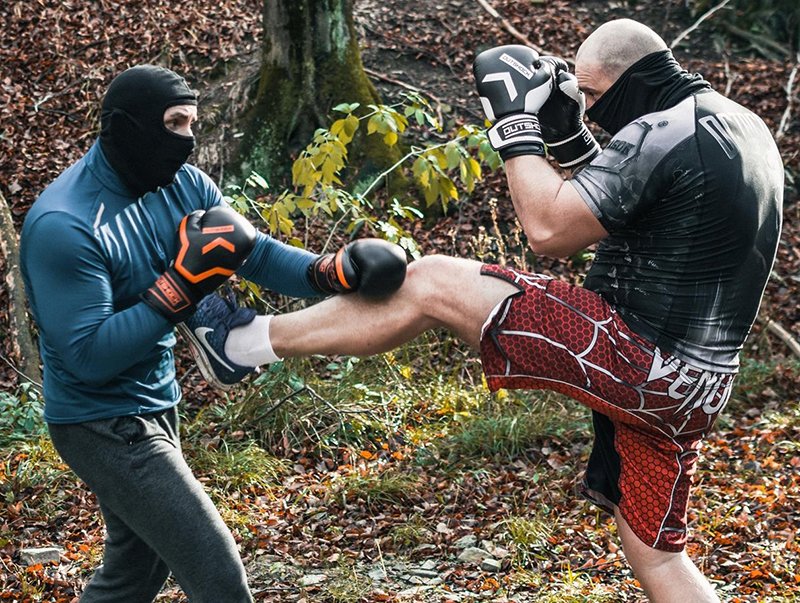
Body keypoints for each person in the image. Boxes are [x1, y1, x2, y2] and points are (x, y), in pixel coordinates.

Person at [183, 18, 783, 602]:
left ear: (630, 80)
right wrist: (570, 137)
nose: (594, 111)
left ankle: (238, 344)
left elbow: (548, 229)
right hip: (697, 390)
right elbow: (634, 213)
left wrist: (518, 127)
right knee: (658, 553)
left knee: (431, 280)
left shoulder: (668, 128)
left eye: (595, 96)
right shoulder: (739, 127)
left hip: (639, 359)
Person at [19, 64, 407, 603]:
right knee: (218, 575)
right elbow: (87, 356)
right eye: (174, 123)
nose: (187, 139)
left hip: (157, 400)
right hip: (100, 421)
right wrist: (180, 285)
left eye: (193, 123)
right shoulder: (65, 225)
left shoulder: (181, 183)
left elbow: (249, 250)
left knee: (136, 571)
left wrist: (328, 271)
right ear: (127, 126)